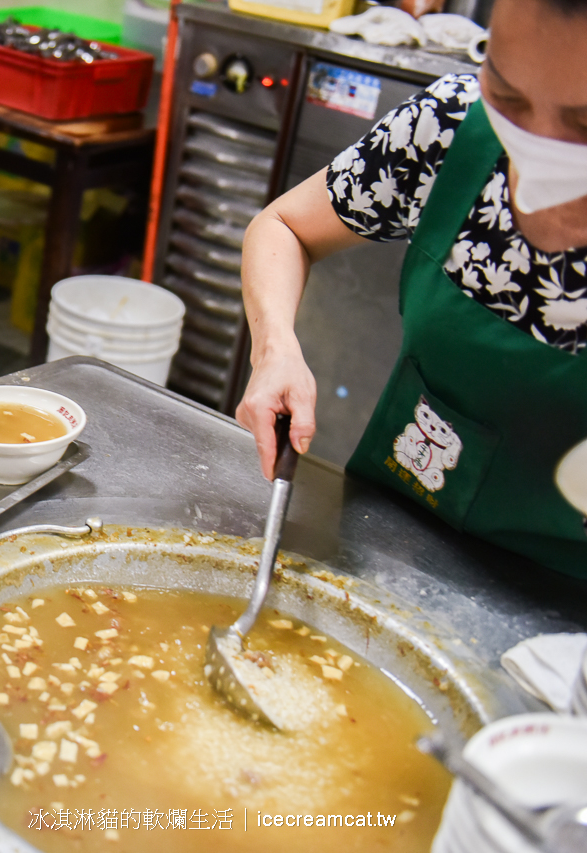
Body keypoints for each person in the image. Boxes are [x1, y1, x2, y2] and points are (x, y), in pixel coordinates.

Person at [235, 0, 587, 578]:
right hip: (386, 540)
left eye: (581, 123)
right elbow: (285, 226)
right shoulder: (453, 122)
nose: (534, 143)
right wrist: (275, 349)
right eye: (509, 95)